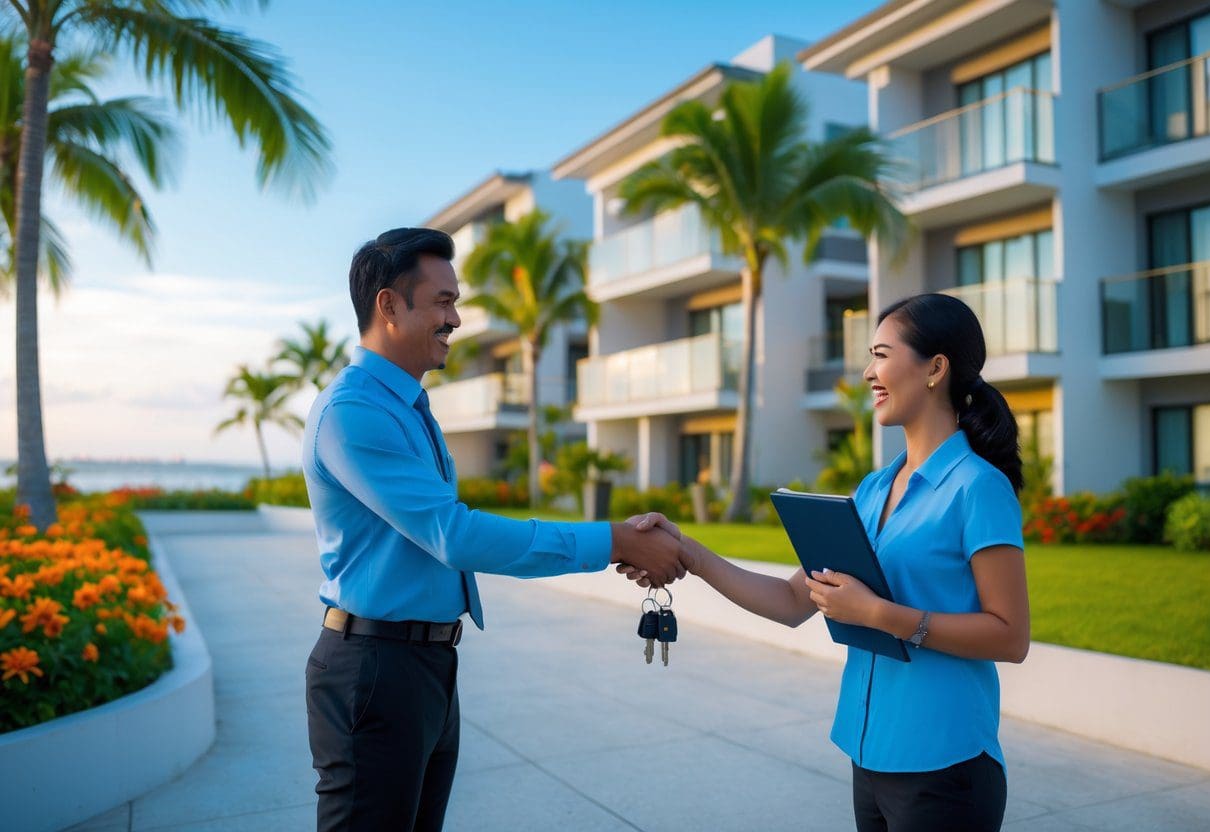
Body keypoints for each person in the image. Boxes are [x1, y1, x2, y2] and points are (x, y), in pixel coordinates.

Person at [302, 227, 683, 832]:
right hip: (374, 670)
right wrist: (612, 541)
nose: (455, 318)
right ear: (389, 306)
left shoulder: (404, 408)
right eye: (443, 301)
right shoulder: (354, 412)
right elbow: (455, 535)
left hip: (422, 665)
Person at [625, 293, 1030, 832]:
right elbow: (793, 601)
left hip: (946, 762)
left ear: (936, 369)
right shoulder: (873, 488)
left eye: (882, 355)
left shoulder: (979, 488)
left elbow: (1011, 636)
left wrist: (881, 614)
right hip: (869, 754)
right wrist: (687, 553)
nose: (869, 372)